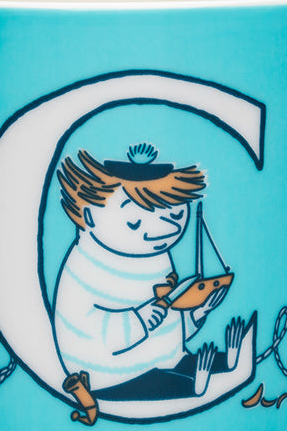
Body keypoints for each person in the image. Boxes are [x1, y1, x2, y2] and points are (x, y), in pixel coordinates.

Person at [53, 144, 230, 398]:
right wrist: (139, 320)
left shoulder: (156, 256)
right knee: (168, 381)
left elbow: (165, 323)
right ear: (89, 216)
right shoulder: (86, 270)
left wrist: (195, 314)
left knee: (207, 364)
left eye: (175, 216)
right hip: (111, 375)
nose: (164, 229)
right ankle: (192, 387)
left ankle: (219, 367)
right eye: (135, 221)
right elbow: (86, 330)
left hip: (169, 360)